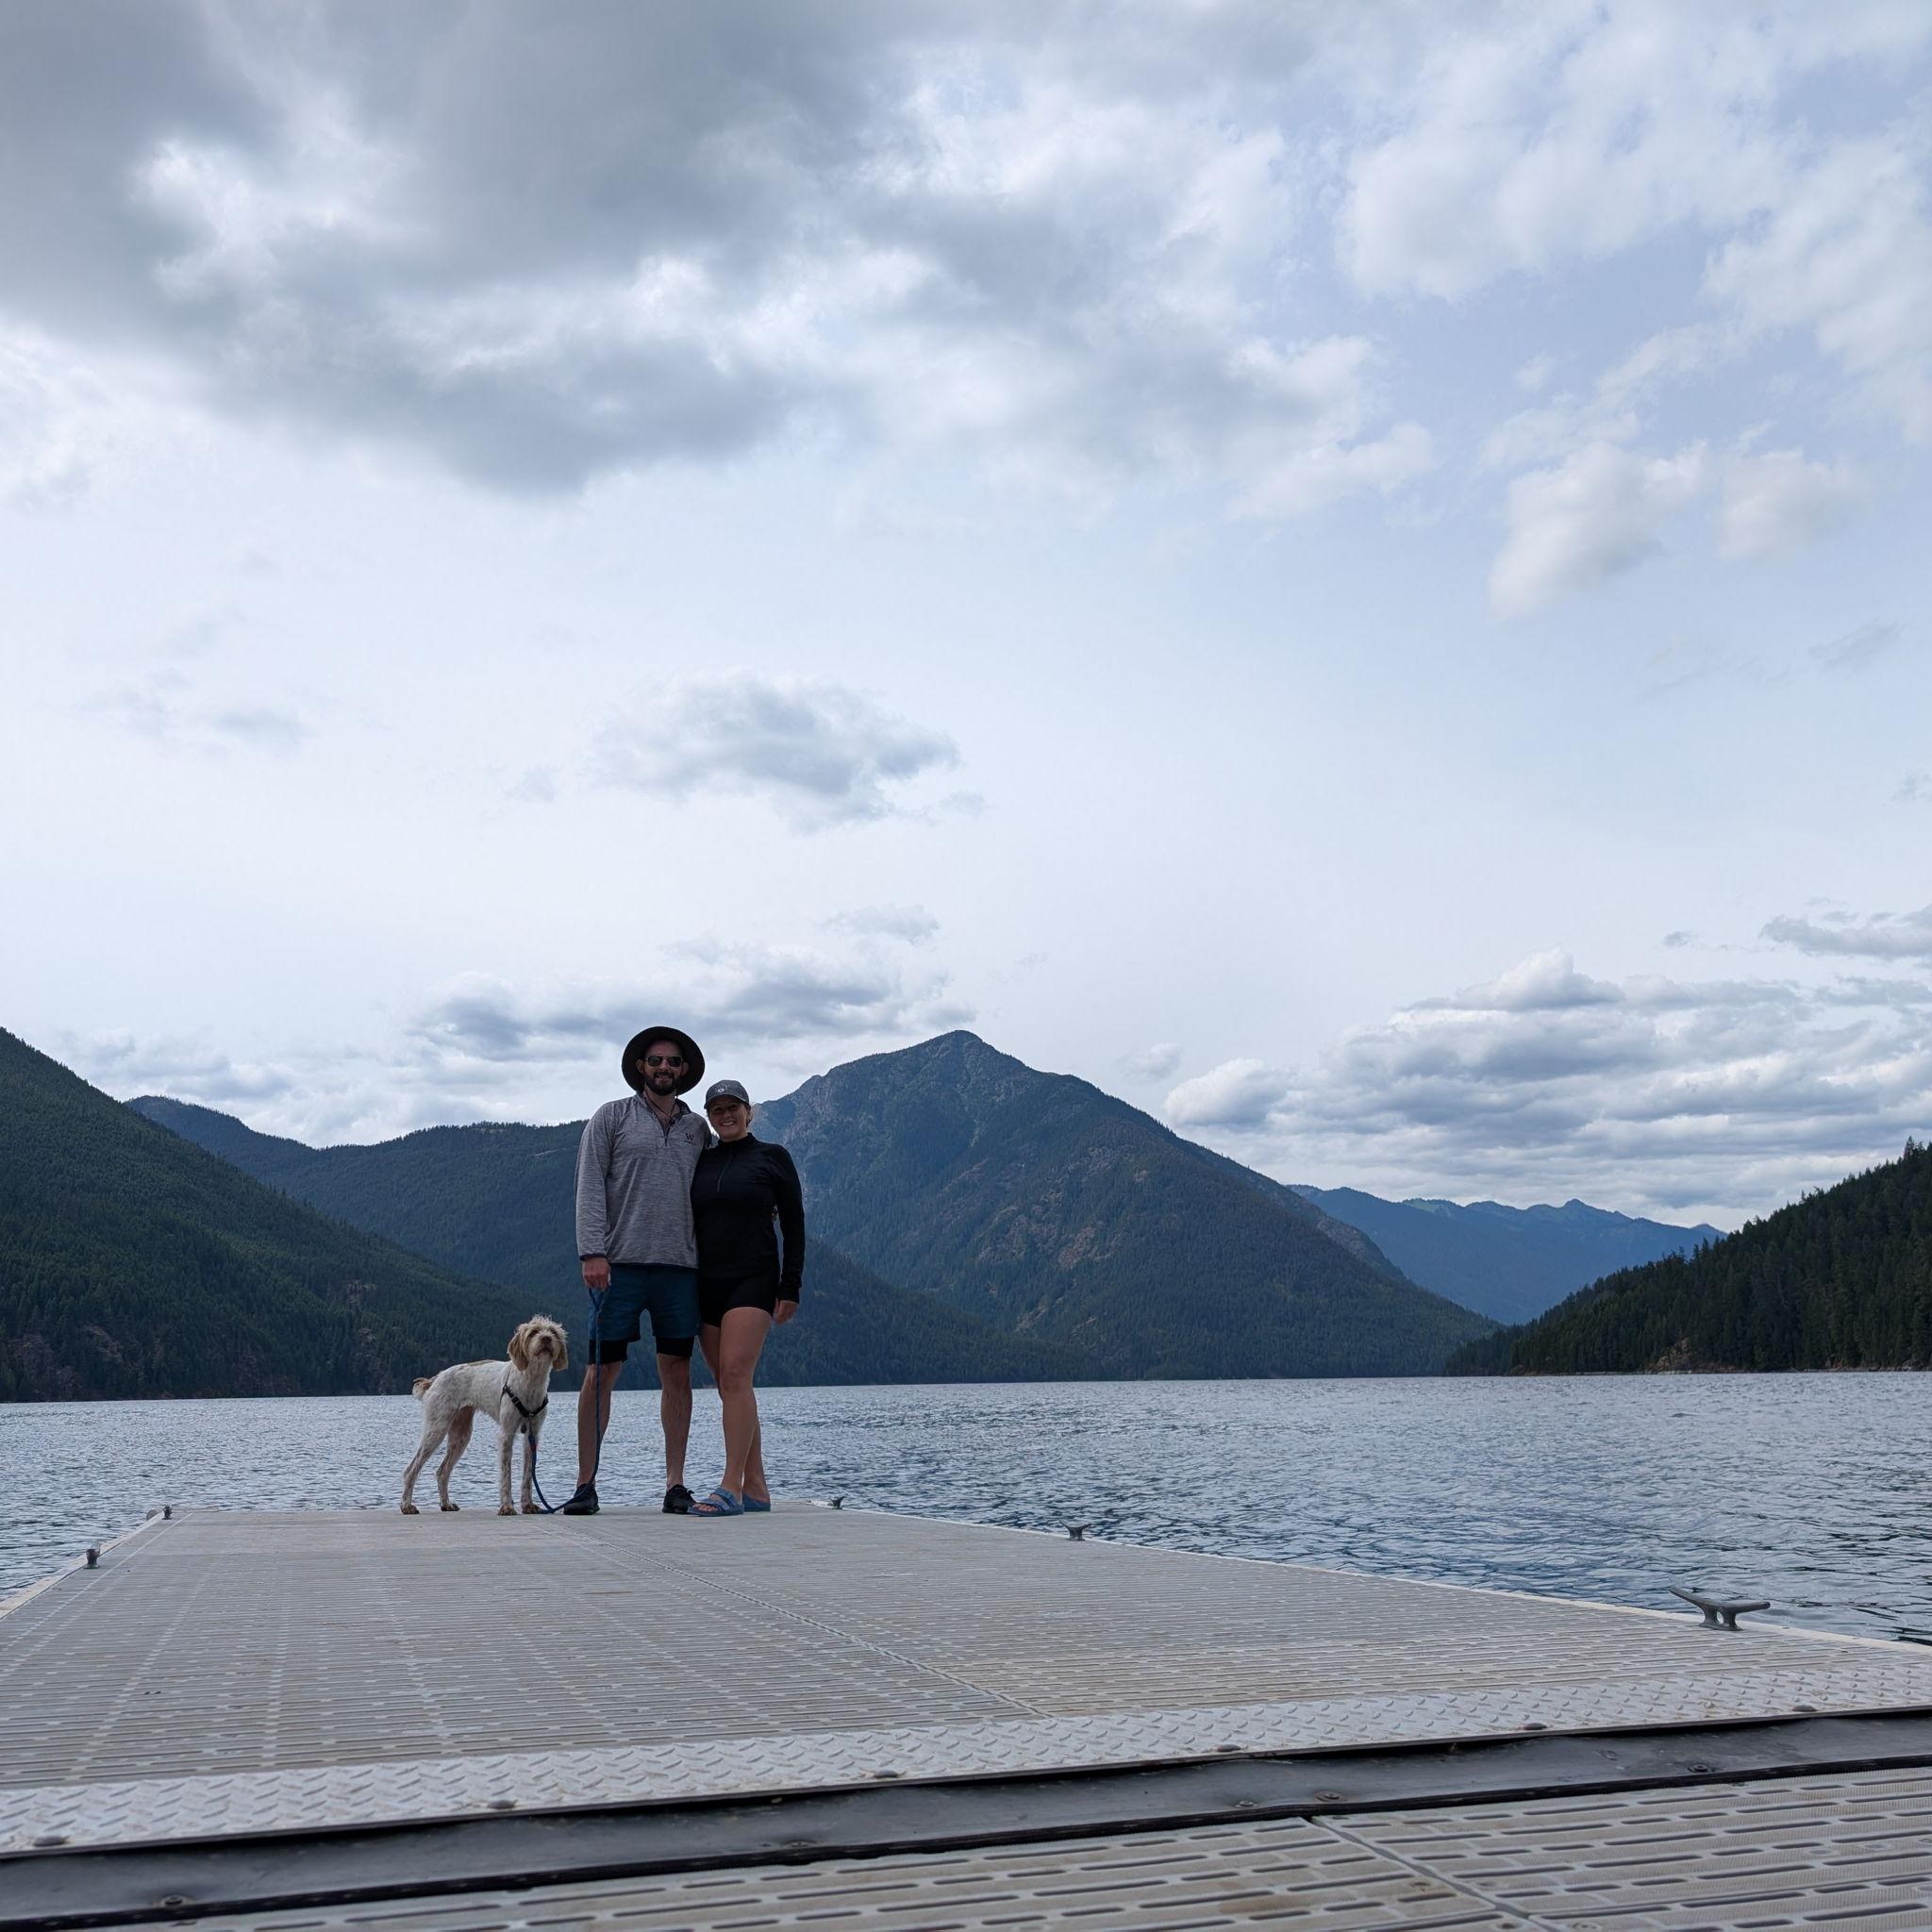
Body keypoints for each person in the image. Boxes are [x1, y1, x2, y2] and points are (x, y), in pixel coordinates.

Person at [564, 1024, 711, 1515]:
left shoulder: (698, 1131)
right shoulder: (611, 1118)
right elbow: (588, 1186)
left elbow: (717, 1191)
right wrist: (592, 1252)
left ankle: (675, 1484)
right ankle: (585, 1483)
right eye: (655, 1061)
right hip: (618, 1266)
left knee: (678, 1371)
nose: (664, 1067)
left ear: (684, 1070)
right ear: (640, 1068)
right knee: (601, 1372)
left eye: (672, 1061)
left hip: (680, 1268)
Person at [687, 1078, 802, 1516]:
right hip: (706, 1283)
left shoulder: (772, 1158)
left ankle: (730, 1485)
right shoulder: (702, 1161)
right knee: (727, 1383)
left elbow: (794, 1222)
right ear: (710, 1118)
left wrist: (790, 1285)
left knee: (736, 1375)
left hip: (753, 1279)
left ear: (749, 1112)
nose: (725, 1115)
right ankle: (756, 1487)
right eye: (716, 1109)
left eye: (733, 1106)